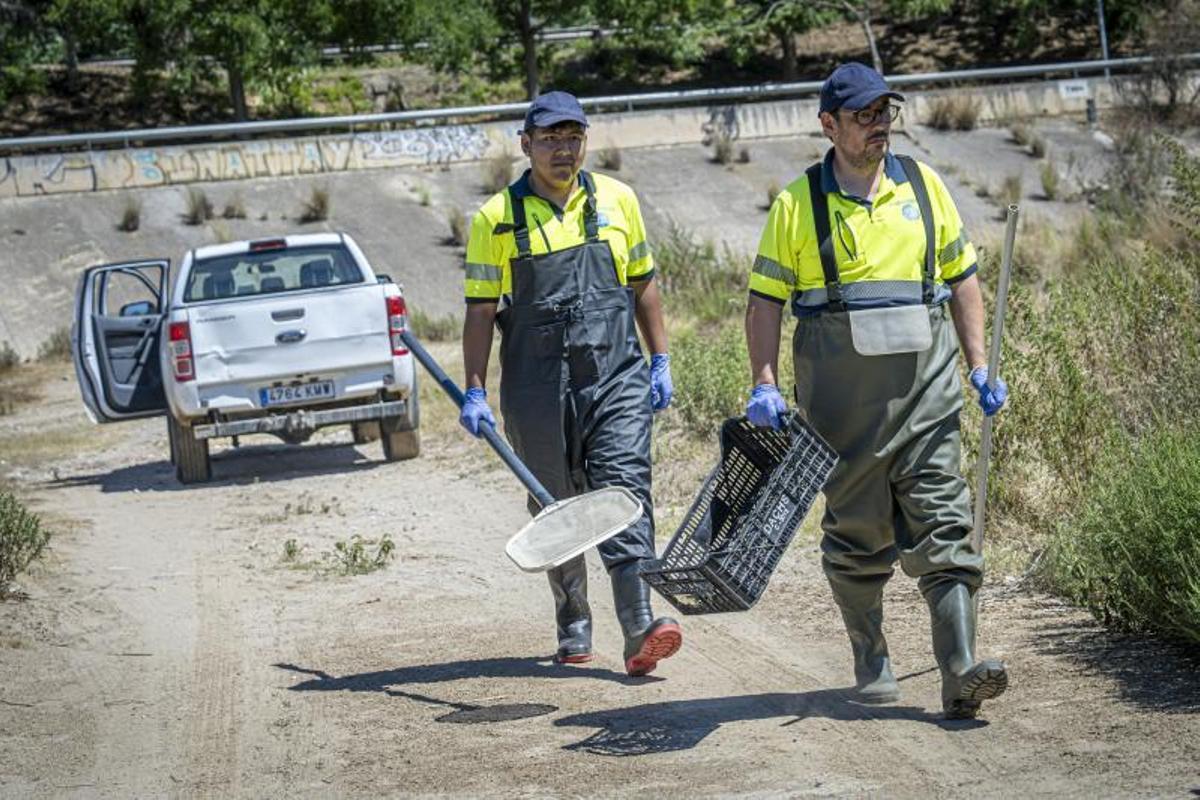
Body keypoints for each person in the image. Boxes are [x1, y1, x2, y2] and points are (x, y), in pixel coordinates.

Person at [744, 63, 1010, 719]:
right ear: (828, 124)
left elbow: (962, 278)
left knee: (947, 525)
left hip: (927, 398)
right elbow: (765, 301)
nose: (879, 124)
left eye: (883, 112)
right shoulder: (797, 204)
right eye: (863, 115)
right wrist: (764, 383)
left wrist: (978, 366)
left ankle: (959, 670)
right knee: (858, 539)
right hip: (843, 416)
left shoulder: (923, 187)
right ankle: (872, 659)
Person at [458, 90, 682, 677]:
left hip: (615, 376)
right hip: (536, 385)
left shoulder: (618, 200)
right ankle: (574, 618)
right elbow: (481, 311)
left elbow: (643, 283)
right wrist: (475, 388)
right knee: (554, 502)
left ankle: (638, 623)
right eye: (551, 138)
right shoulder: (495, 219)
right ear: (526, 144)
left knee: (624, 489)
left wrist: (660, 359)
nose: (564, 149)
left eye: (573, 137)